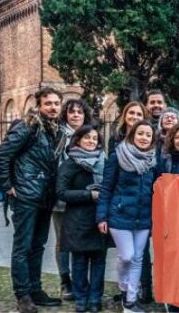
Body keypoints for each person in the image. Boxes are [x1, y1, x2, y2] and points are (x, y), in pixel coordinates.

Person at [0, 86, 67, 313]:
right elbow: (0, 155)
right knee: (23, 246)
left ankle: (36, 290)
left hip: (45, 195)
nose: (53, 107)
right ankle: (23, 295)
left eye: (56, 103)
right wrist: (7, 186)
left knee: (38, 245)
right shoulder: (28, 126)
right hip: (26, 195)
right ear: (39, 105)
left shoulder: (55, 130)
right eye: (48, 103)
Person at [97, 121, 159, 313]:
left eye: (148, 135)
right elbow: (106, 188)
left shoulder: (152, 161)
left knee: (138, 258)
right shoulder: (118, 156)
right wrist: (102, 217)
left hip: (144, 218)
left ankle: (130, 300)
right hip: (120, 215)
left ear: (152, 139)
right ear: (132, 135)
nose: (144, 138)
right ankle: (123, 288)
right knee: (127, 256)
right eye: (140, 133)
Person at [57, 125, 108, 313]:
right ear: (78, 140)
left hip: (99, 217)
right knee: (79, 262)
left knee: (98, 261)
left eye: (95, 138)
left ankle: (95, 298)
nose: (91, 141)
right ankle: (81, 298)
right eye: (87, 138)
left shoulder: (104, 161)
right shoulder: (69, 164)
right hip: (77, 220)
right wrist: (90, 195)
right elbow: (61, 192)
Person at [55, 99, 92, 302]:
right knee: (62, 240)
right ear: (66, 115)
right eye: (72, 112)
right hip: (62, 196)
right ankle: (65, 281)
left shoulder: (91, 135)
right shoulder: (59, 135)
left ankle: (81, 282)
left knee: (83, 238)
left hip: (86, 197)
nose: (76, 115)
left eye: (79, 111)